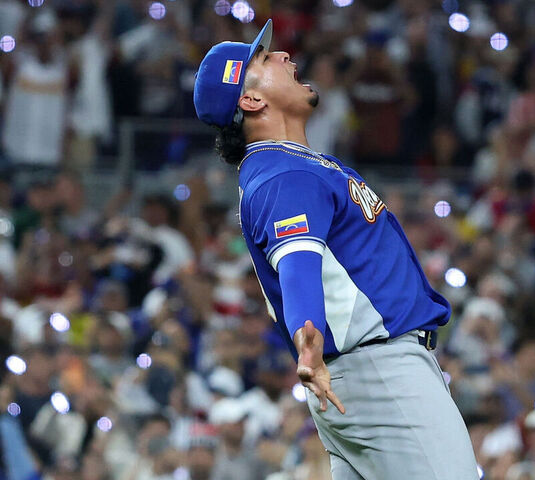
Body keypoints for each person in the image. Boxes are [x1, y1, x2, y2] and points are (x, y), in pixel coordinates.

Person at [193, 20, 478, 479]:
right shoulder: (282, 173)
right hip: (376, 371)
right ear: (251, 100)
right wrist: (309, 345)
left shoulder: (294, 165)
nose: (284, 56)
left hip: (364, 374)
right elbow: (298, 264)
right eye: (265, 60)